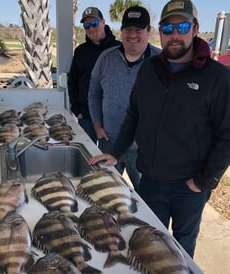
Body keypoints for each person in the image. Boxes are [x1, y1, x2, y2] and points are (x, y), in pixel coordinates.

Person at [89, 0, 230, 258]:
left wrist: (203, 182)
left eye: (182, 26)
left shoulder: (217, 77)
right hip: (151, 181)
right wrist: (117, 152)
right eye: (168, 29)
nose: (174, 35)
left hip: (189, 186)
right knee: (146, 241)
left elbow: (226, 136)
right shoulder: (150, 69)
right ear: (160, 31)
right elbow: (134, 113)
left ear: (195, 29)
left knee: (182, 247)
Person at [88, 6, 161, 192]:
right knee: (107, 194)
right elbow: (94, 93)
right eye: (128, 29)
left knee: (146, 201)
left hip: (144, 151)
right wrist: (97, 125)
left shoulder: (161, 62)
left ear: (149, 31)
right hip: (109, 142)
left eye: (139, 30)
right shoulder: (106, 58)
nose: (133, 35)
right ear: (121, 32)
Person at [68, 7, 120, 143]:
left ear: (103, 22)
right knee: (87, 159)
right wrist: (76, 110)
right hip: (86, 117)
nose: (91, 28)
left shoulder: (119, 49)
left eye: (94, 23)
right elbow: (72, 81)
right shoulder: (80, 51)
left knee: (108, 161)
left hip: (111, 119)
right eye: (86, 26)